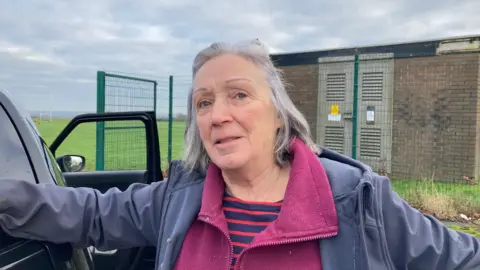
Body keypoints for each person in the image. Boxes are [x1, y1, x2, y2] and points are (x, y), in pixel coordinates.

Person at [1, 40, 480, 270]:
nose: (217, 115)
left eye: (238, 95)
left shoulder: (360, 200)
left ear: (279, 113)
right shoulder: (179, 199)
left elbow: (461, 260)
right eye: (204, 103)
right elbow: (94, 214)